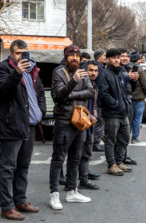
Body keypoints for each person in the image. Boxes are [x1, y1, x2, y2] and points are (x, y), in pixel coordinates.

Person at [0, 39, 46, 220]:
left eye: (24, 53)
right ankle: (7, 206)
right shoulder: (3, 68)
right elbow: (1, 91)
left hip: (30, 125)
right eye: (18, 53)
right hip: (11, 125)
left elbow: (39, 93)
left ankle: (20, 200)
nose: (22, 57)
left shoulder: (33, 70)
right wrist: (16, 73)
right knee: (8, 167)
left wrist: (41, 111)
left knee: (23, 166)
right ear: (11, 54)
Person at [49, 44, 95, 210]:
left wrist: (71, 95)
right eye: (72, 56)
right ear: (66, 57)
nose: (75, 58)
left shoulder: (83, 71)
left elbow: (91, 92)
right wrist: (74, 80)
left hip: (80, 121)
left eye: (77, 56)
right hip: (64, 121)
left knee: (75, 158)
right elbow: (59, 95)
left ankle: (71, 191)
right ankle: (54, 195)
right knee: (58, 159)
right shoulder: (58, 72)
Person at [97, 48, 132, 176]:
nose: (117, 60)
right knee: (111, 140)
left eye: (118, 57)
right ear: (107, 59)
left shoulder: (119, 73)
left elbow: (123, 92)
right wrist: (115, 104)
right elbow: (104, 93)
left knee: (124, 138)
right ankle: (111, 165)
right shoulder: (105, 74)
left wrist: (125, 105)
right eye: (113, 58)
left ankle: (119, 161)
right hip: (112, 113)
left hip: (123, 112)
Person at [78, 60, 101, 190]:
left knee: (87, 153)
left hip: (89, 125)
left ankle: (84, 178)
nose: (93, 73)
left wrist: (95, 114)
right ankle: (74, 180)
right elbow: (78, 105)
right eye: (91, 70)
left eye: (95, 71)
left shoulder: (94, 85)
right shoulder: (80, 84)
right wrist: (90, 116)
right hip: (80, 123)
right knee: (75, 154)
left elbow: (95, 104)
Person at [118, 48, 139, 165]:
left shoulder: (126, 69)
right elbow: (119, 86)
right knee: (121, 133)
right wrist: (128, 78)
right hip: (121, 104)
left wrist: (134, 80)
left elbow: (132, 88)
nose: (125, 58)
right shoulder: (117, 71)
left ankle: (123, 156)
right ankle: (118, 158)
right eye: (122, 56)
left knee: (127, 131)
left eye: (126, 56)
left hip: (129, 101)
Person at [128, 53, 146, 144]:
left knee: (128, 119)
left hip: (128, 98)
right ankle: (135, 137)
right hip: (138, 98)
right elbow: (144, 84)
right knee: (137, 119)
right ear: (138, 60)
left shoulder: (126, 68)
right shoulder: (139, 70)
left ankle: (126, 137)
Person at [92, 49, 106, 152]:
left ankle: (96, 142)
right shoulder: (98, 68)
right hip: (99, 100)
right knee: (99, 122)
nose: (106, 57)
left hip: (98, 99)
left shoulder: (101, 67)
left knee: (99, 122)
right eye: (104, 56)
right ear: (98, 57)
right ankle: (95, 144)